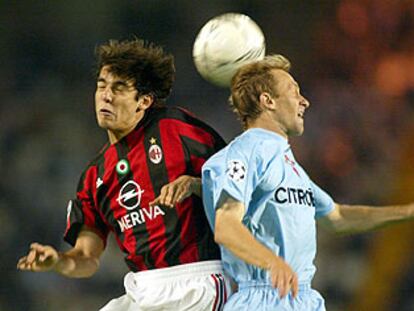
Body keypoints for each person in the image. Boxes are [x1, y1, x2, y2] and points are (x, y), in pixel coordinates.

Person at [17, 38, 231, 311]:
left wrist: (195, 184)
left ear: (143, 101)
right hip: (142, 288)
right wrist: (57, 261)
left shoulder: (176, 129)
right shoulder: (95, 175)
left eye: (118, 88)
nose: (106, 95)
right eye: (101, 86)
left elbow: (237, 184)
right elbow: (86, 257)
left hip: (197, 282)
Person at [201, 54, 414, 311]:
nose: (304, 101)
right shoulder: (245, 152)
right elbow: (226, 226)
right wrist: (272, 262)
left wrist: (408, 211)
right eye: (293, 91)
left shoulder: (289, 165)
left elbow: (336, 216)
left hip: (302, 298)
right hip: (263, 299)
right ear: (267, 101)